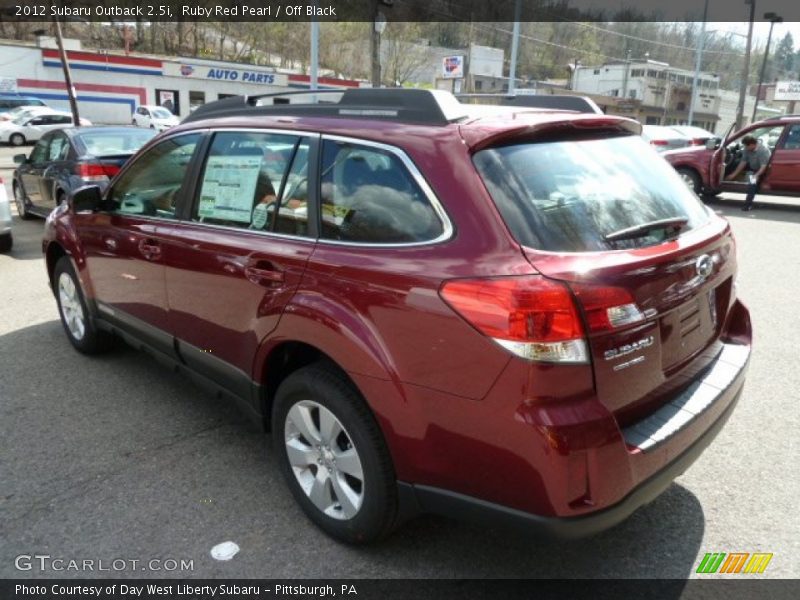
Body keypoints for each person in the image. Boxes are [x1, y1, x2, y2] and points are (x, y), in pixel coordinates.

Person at [725, 135, 771, 211]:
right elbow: (743, 162)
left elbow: (764, 166)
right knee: (736, 162)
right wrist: (733, 175)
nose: (745, 148)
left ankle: (747, 205)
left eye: (746, 146)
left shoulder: (763, 151)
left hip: (762, 170)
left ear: (752, 144)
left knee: (752, 184)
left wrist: (756, 175)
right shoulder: (747, 150)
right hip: (753, 168)